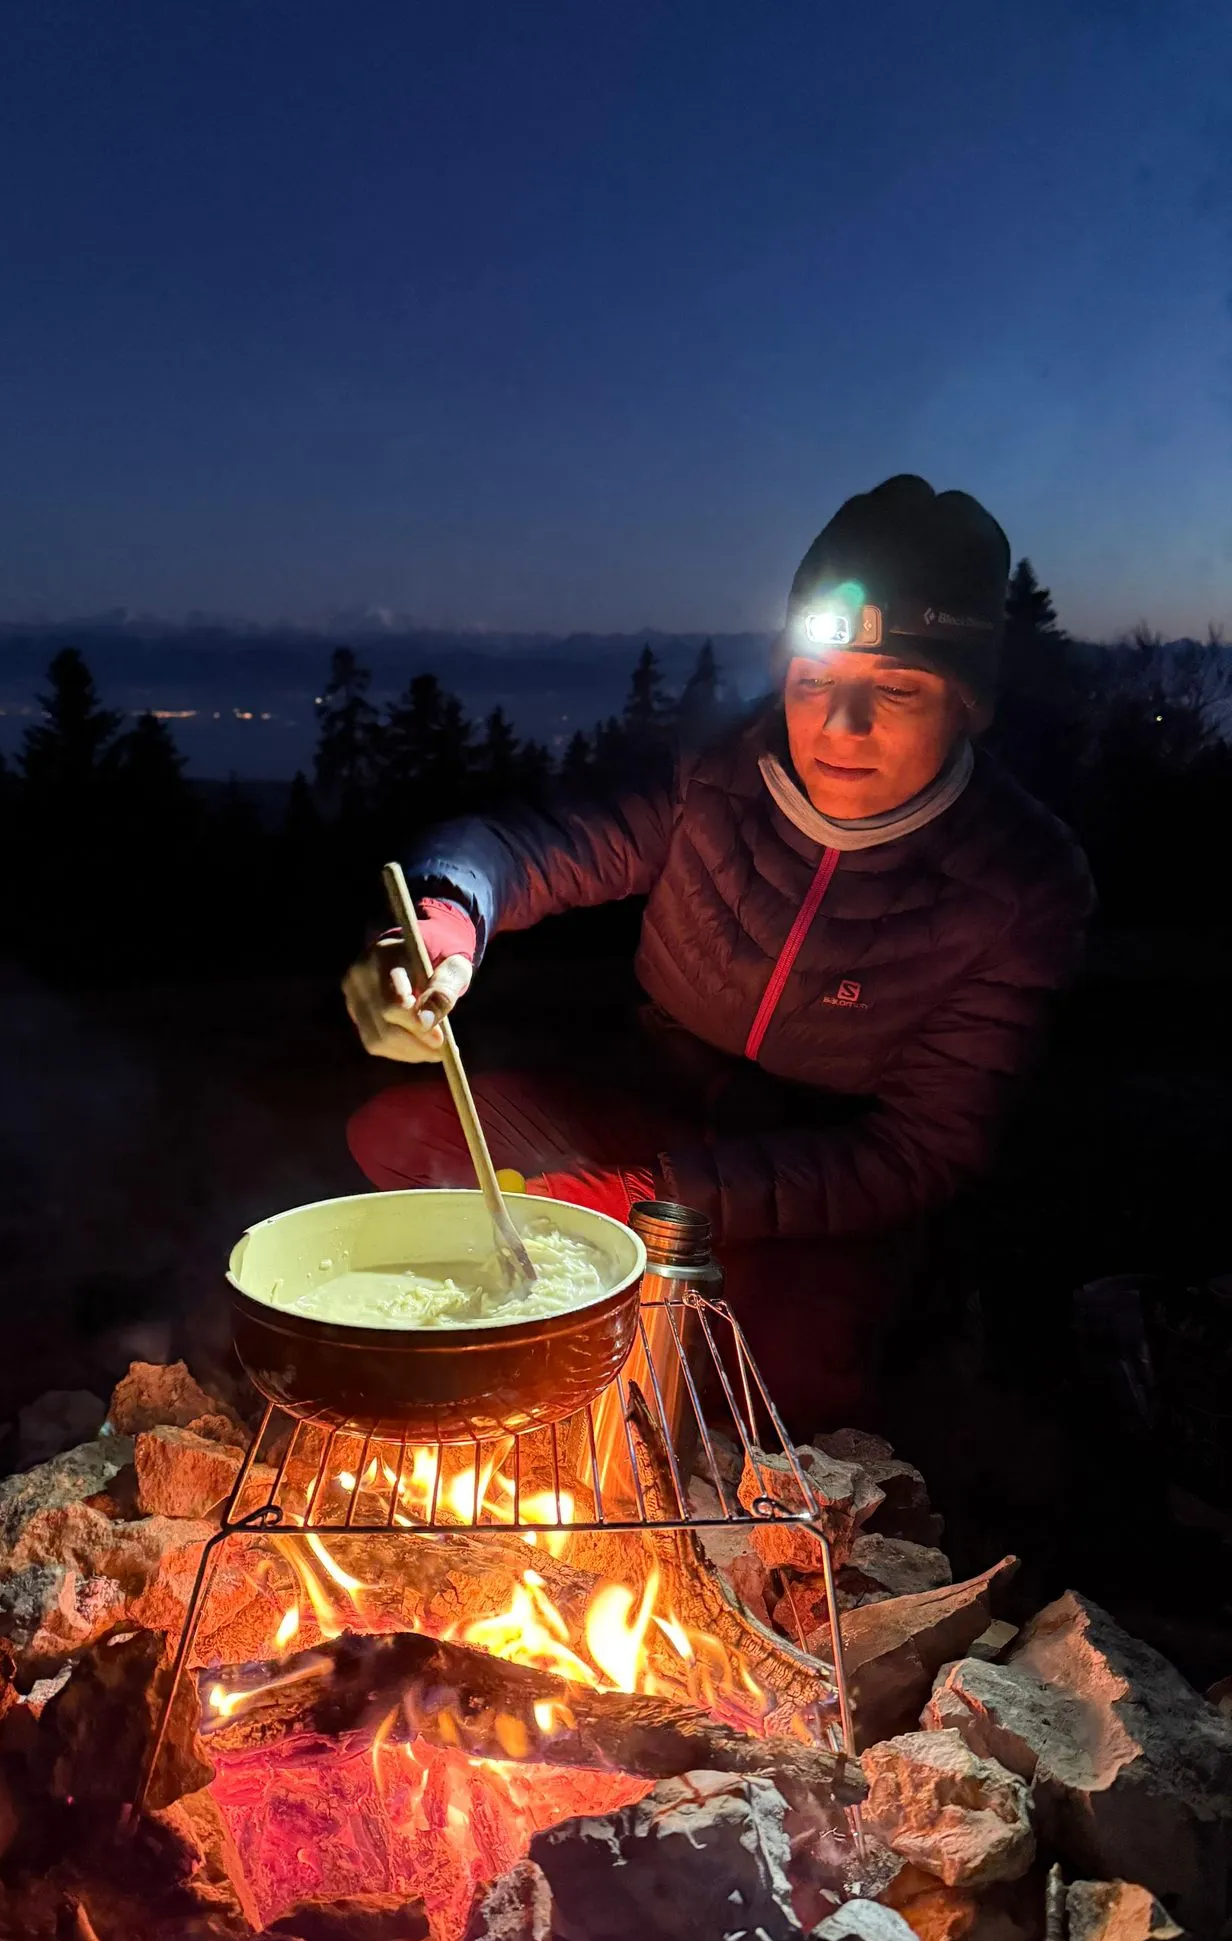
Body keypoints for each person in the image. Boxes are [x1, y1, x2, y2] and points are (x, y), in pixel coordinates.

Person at [340, 475, 1095, 1430]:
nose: (839, 728)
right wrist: (441, 923)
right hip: (648, 1113)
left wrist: (651, 1202)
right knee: (403, 1139)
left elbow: (918, 1152)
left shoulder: (1018, 885)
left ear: (968, 707)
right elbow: (527, 847)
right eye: (814, 682)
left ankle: (894, 1344)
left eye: (896, 691)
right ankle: (573, 1362)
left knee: (779, 1383)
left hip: (821, 1188)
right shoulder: (716, 776)